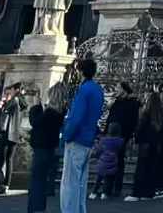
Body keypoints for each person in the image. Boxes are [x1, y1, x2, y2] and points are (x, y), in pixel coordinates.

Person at [60, 57, 105, 213]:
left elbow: (76, 116)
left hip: (77, 139)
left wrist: (66, 135)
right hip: (88, 139)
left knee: (69, 184)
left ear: (82, 71)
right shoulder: (98, 90)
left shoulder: (84, 89)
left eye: (78, 70)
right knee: (80, 184)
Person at [27, 84, 67, 213]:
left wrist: (36, 106)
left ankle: (35, 207)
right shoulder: (60, 112)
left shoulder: (51, 113)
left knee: (37, 181)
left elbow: (35, 121)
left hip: (42, 147)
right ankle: (39, 206)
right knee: (42, 179)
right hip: (49, 146)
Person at [126, 90, 163, 202]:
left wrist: (137, 139)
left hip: (145, 144)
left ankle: (136, 193)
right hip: (156, 145)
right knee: (152, 170)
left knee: (141, 169)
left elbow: (140, 128)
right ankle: (149, 193)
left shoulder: (146, 114)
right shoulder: (161, 115)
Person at [105, 84, 140, 200]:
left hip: (123, 135)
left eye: (119, 88)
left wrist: (129, 134)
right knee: (110, 161)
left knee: (119, 162)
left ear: (124, 90)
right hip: (112, 134)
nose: (117, 90)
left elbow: (132, 120)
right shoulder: (117, 102)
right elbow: (110, 117)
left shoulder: (131, 104)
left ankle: (116, 187)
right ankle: (108, 188)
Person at [0, 85, 23, 194]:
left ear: (14, 92)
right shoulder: (17, 102)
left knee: (1, 160)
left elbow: (4, 113)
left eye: (8, 93)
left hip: (8, 134)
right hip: (13, 134)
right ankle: (3, 185)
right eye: (5, 94)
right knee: (7, 160)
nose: (5, 96)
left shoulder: (14, 101)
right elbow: (4, 113)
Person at [91, 130, 122, 200]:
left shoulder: (103, 141)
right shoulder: (119, 141)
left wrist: (98, 157)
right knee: (108, 179)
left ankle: (94, 192)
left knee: (99, 178)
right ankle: (104, 193)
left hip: (103, 161)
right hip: (112, 161)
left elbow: (98, 150)